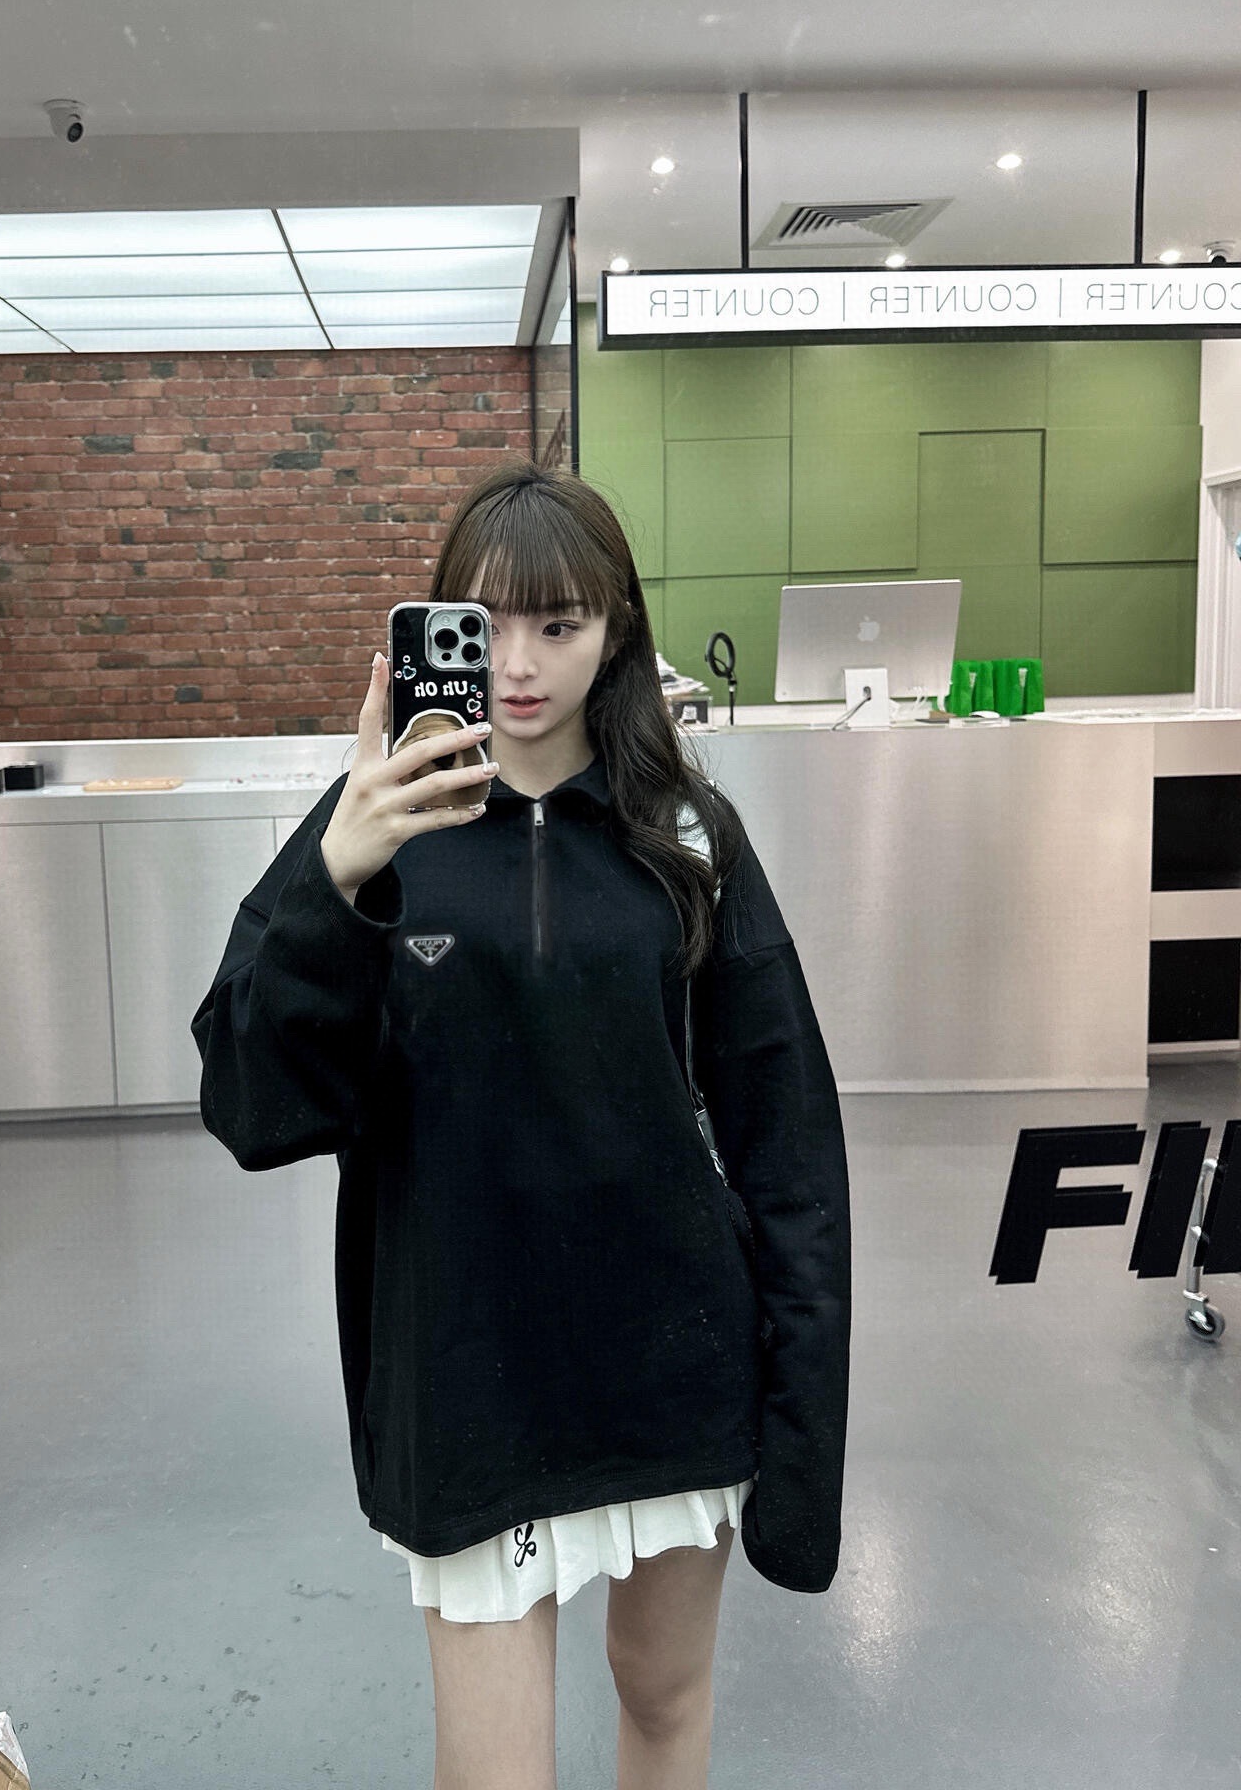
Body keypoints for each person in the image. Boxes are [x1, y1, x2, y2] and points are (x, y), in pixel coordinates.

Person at [192, 460, 851, 1790]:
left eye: (561, 622)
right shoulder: (378, 831)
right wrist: (337, 877)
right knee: (494, 1769)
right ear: (433, 627)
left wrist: (804, 1418)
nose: (520, 664)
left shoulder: (687, 835)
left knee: (664, 1699)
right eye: (484, 624)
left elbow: (787, 1140)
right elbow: (253, 1102)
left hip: (672, 1360)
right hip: (469, 1369)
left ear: (617, 630)